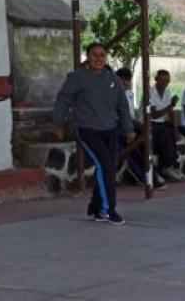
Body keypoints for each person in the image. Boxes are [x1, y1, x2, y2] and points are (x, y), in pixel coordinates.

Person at [51, 42, 133, 225]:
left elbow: (123, 106)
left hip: (110, 130)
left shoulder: (113, 79)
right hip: (87, 130)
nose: (98, 58)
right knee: (105, 166)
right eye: (94, 55)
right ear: (87, 57)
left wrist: (128, 129)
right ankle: (108, 210)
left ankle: (95, 207)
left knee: (108, 167)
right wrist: (58, 123)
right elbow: (63, 99)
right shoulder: (77, 77)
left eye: (102, 55)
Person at [146, 69, 185, 184]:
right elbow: (153, 114)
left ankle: (171, 166)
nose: (165, 83)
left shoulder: (167, 91)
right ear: (156, 79)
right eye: (162, 80)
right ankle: (167, 167)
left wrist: (175, 129)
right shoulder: (150, 92)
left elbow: (171, 113)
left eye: (167, 81)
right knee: (165, 134)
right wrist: (171, 105)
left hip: (161, 124)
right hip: (150, 124)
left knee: (171, 133)